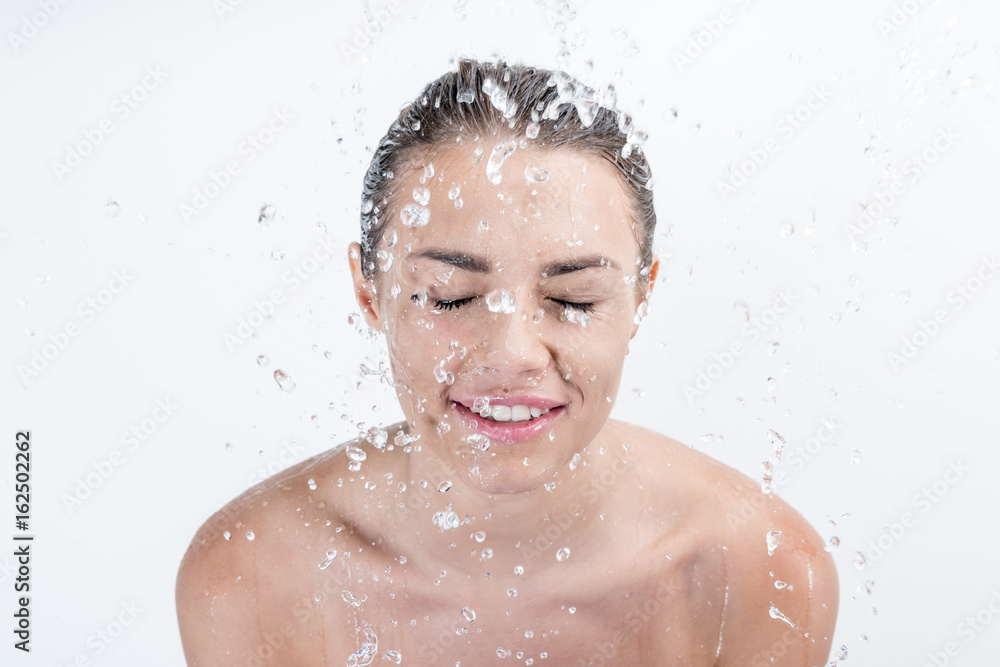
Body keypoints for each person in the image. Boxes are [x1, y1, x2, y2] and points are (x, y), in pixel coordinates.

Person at [176, 59, 838, 666]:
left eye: (573, 298)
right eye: (451, 295)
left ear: (641, 297)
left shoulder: (761, 571)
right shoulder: (255, 573)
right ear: (368, 291)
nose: (513, 355)